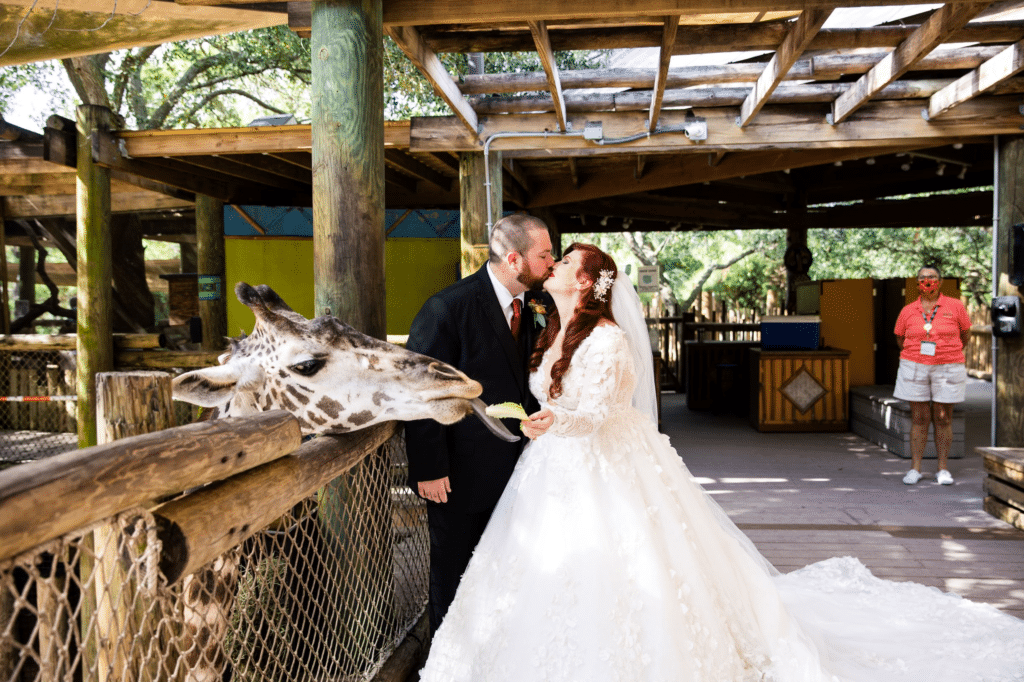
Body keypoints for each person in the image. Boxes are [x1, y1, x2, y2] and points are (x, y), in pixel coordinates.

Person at [418, 243, 1024, 682]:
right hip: (550, 469)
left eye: (564, 261)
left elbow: (600, 411)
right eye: (551, 257)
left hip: (598, 461)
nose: (553, 266)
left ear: (585, 281)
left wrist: (558, 420)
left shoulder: (605, 338)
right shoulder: (553, 329)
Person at [404, 213, 555, 633]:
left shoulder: (535, 305)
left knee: (502, 574)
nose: (551, 261)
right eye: (544, 254)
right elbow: (422, 391)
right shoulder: (447, 308)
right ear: (514, 258)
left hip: (517, 470)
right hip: (459, 471)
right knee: (453, 576)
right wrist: (430, 468)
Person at [893, 265, 971, 485]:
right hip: (915, 366)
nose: (928, 281)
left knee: (943, 417)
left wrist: (947, 350)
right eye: (923, 277)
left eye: (933, 277)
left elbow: (965, 335)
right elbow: (900, 339)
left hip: (948, 365)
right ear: (917, 282)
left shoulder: (955, 306)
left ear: (941, 281)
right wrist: (917, 352)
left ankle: (943, 469)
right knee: (919, 417)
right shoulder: (908, 310)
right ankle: (915, 469)